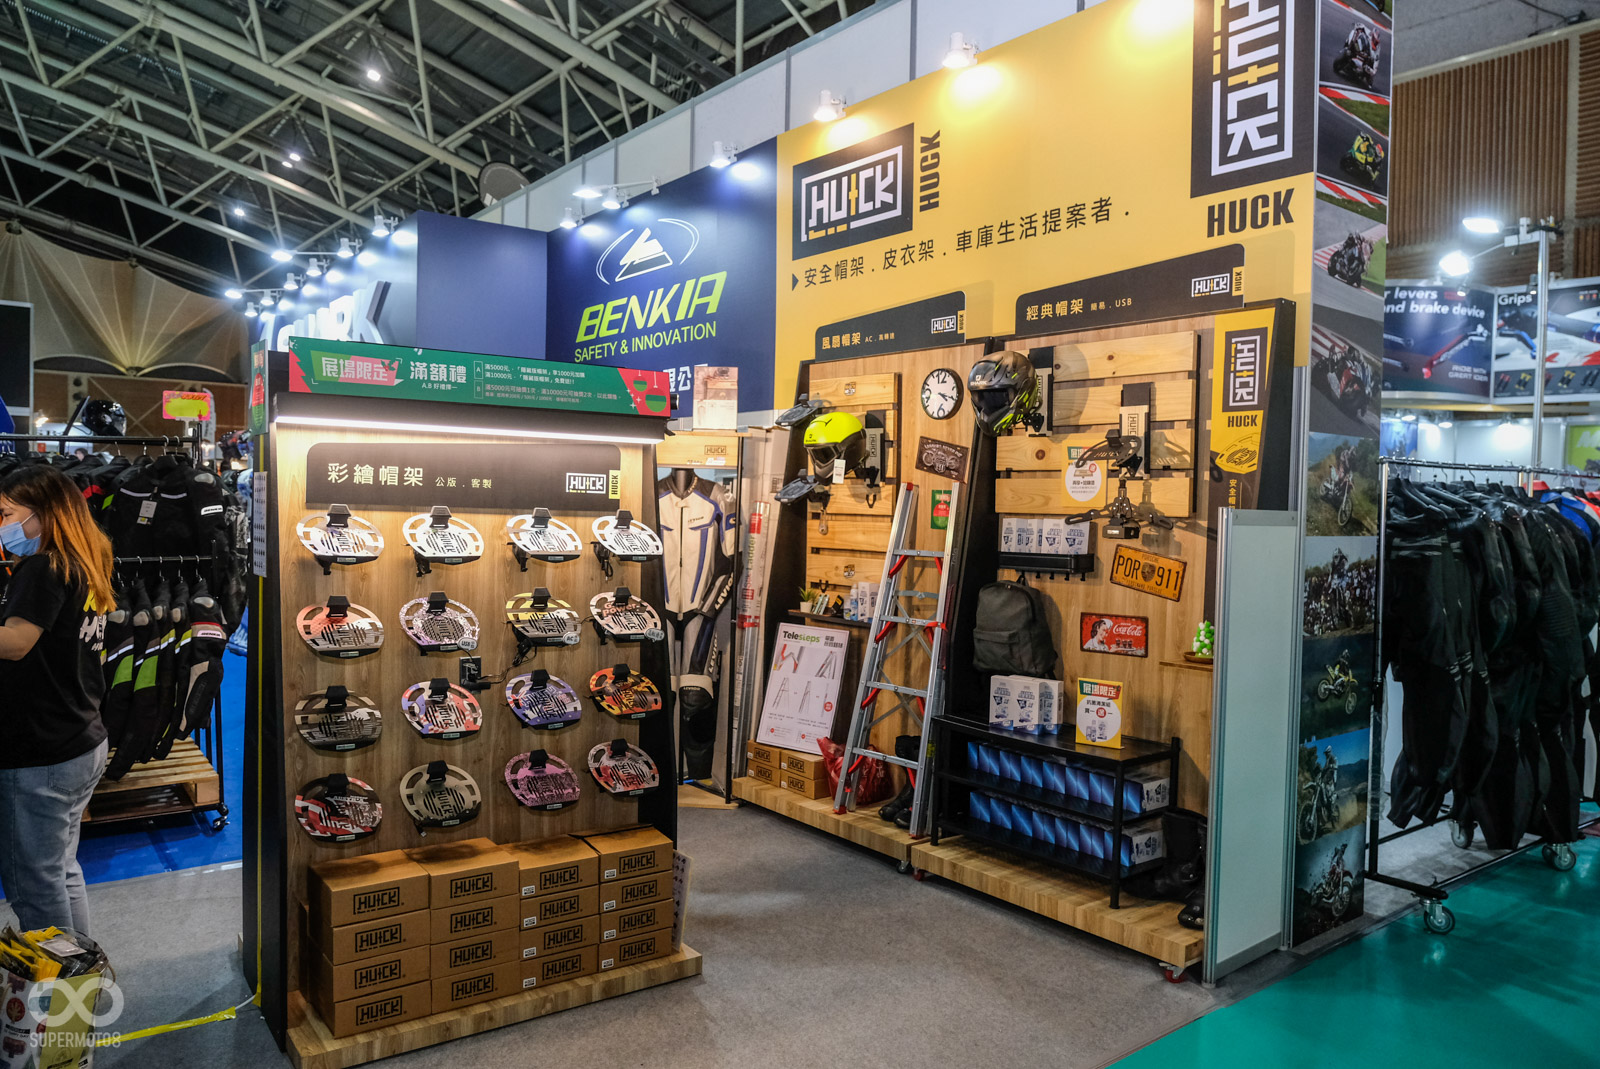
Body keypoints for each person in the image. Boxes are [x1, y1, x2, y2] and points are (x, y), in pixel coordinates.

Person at [0, 464, 114, 934]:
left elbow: (15, 643)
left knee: (35, 882)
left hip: (41, 750)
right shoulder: (84, 560)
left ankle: (58, 978)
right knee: (61, 870)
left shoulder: (43, 568)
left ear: (43, 513)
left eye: (7, 513)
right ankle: (81, 970)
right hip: (79, 738)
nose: (2, 524)